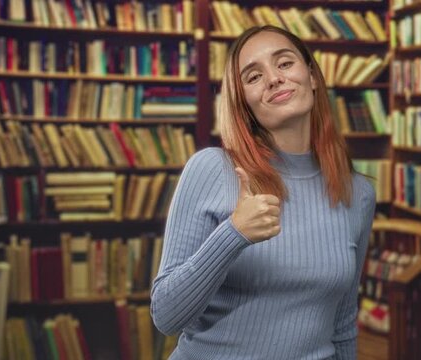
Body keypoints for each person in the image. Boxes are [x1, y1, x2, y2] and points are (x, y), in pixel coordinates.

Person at [151, 25, 376, 359]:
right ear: (244, 104)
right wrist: (234, 233)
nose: (273, 78)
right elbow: (166, 316)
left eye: (284, 64)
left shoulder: (357, 192)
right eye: (253, 77)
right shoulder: (212, 169)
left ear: (312, 76)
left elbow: (342, 322)